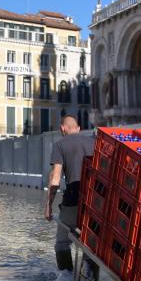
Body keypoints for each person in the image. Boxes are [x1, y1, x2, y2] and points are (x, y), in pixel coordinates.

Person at [44, 115, 95, 272]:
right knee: (89, 245)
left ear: (62, 129)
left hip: (73, 200)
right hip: (95, 203)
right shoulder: (93, 143)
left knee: (62, 243)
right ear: (78, 129)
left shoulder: (60, 145)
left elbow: (55, 177)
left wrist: (48, 206)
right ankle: (90, 280)